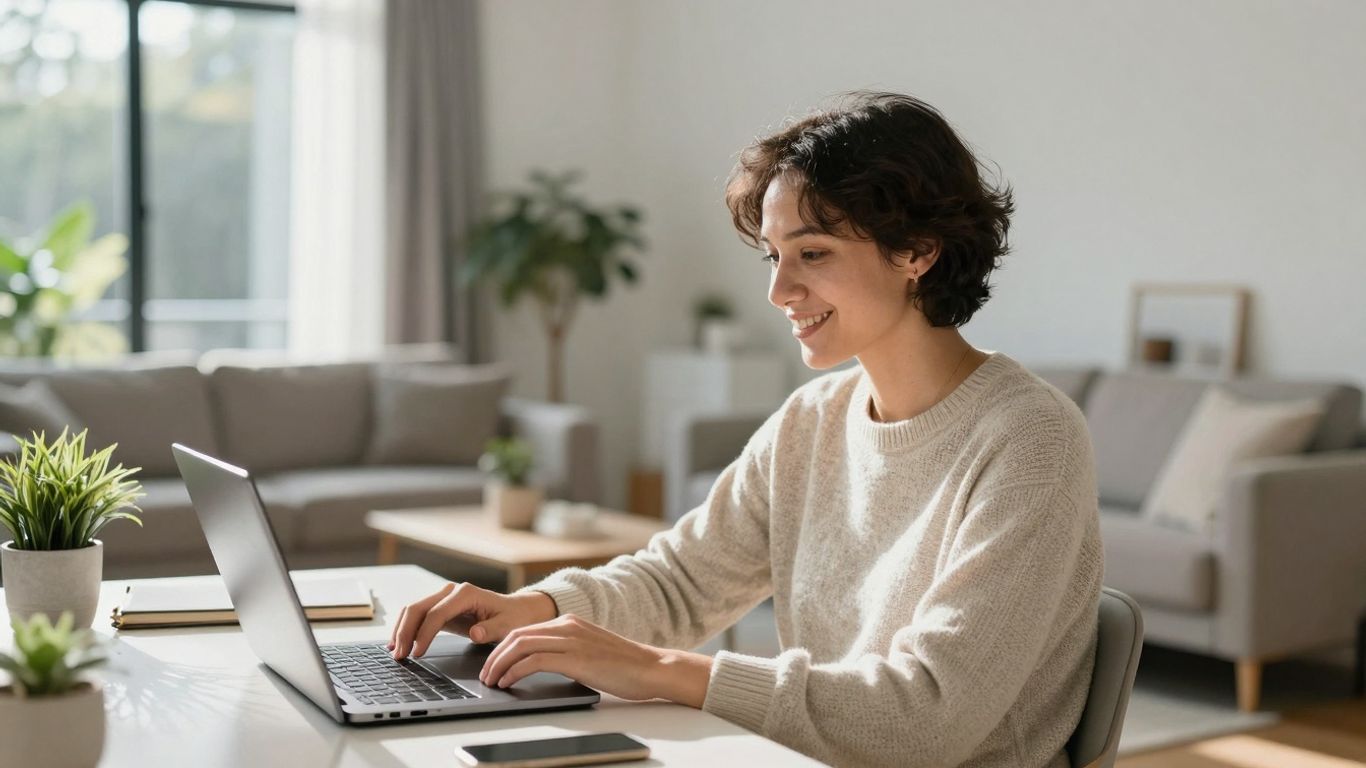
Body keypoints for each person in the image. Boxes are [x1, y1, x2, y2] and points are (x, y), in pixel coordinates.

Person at [389, 92, 1103, 768]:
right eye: (773, 255)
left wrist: (658, 670)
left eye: (812, 253)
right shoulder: (812, 420)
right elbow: (681, 583)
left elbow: (929, 716)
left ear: (918, 249)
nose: (778, 290)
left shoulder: (1029, 437)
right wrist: (531, 609)